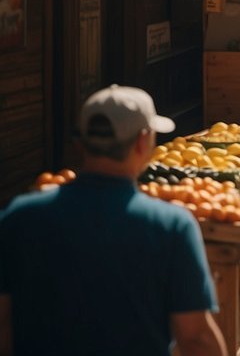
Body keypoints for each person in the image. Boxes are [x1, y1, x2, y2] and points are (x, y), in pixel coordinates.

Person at [0, 85, 225, 355]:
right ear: (144, 142)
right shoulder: (171, 226)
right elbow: (196, 338)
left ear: (79, 143)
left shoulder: (20, 217)